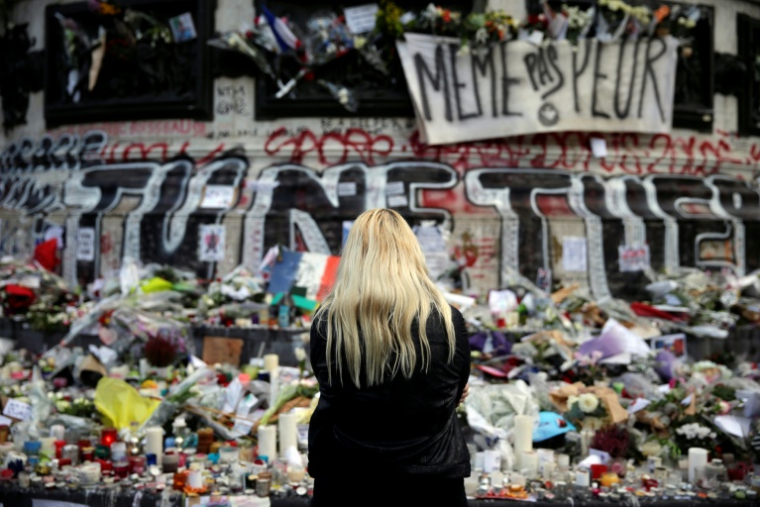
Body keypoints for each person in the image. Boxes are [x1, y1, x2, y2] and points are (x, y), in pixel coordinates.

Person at [308, 208, 471, 507]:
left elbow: (329, 389)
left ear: (355, 254)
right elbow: (455, 391)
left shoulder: (328, 322)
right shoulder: (449, 321)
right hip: (432, 484)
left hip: (348, 481)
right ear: (411, 252)